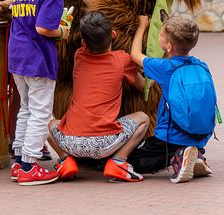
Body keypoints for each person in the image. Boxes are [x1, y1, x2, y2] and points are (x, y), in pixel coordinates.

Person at [48, 11, 149, 182]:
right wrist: (142, 27)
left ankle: (65, 159)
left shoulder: (79, 55)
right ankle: (118, 161)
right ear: (114, 35)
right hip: (105, 143)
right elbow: (141, 86)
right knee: (143, 118)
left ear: (83, 43)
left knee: (49, 124)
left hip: (71, 142)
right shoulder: (122, 60)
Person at [8, 0, 70, 186]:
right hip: (38, 59)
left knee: (26, 108)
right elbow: (45, 27)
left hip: (17, 56)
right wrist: (64, 33)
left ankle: (20, 161)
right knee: (41, 113)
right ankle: (30, 165)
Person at [130, 14, 214, 183]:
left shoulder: (166, 68)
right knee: (183, 145)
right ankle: (196, 155)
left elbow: (135, 55)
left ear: (168, 46)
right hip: (199, 135)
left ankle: (179, 157)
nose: (159, 37)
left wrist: (141, 27)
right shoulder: (201, 65)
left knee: (132, 161)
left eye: (160, 35)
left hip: (169, 137)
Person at [0, 0, 53, 161]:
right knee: (37, 110)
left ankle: (20, 152)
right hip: (31, 57)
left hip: (19, 56)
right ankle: (28, 162)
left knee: (27, 107)